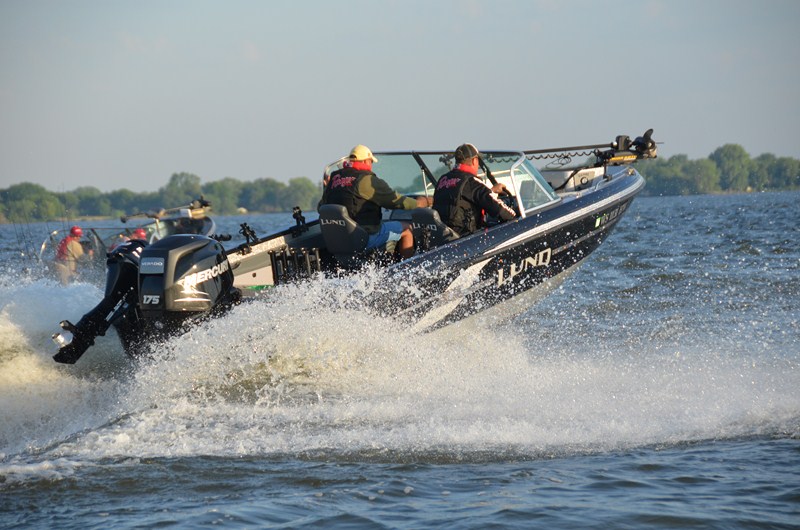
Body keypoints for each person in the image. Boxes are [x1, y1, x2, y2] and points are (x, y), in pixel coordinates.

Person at [319, 144, 431, 259]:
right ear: (366, 161)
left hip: (341, 238)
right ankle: (407, 268)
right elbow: (397, 202)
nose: (371, 165)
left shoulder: (334, 180)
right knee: (407, 229)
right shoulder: (367, 180)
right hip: (365, 236)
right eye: (371, 161)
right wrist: (421, 202)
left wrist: (327, 187)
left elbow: (321, 208)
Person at [433, 143, 516, 237]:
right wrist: (516, 217)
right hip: (465, 238)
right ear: (474, 161)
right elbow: (501, 210)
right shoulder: (472, 181)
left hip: (444, 236)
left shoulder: (442, 179)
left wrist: (491, 191)